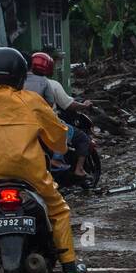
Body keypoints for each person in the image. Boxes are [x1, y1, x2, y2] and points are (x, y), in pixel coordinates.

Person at [0, 47, 86, 273]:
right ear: (20, 75)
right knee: (58, 211)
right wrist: (59, 148)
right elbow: (57, 136)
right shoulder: (31, 100)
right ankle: (70, 268)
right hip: (30, 174)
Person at [25, 52, 95, 185]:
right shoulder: (49, 83)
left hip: (23, 125)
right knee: (80, 137)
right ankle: (76, 168)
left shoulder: (18, 83)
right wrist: (84, 106)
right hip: (45, 123)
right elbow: (64, 104)